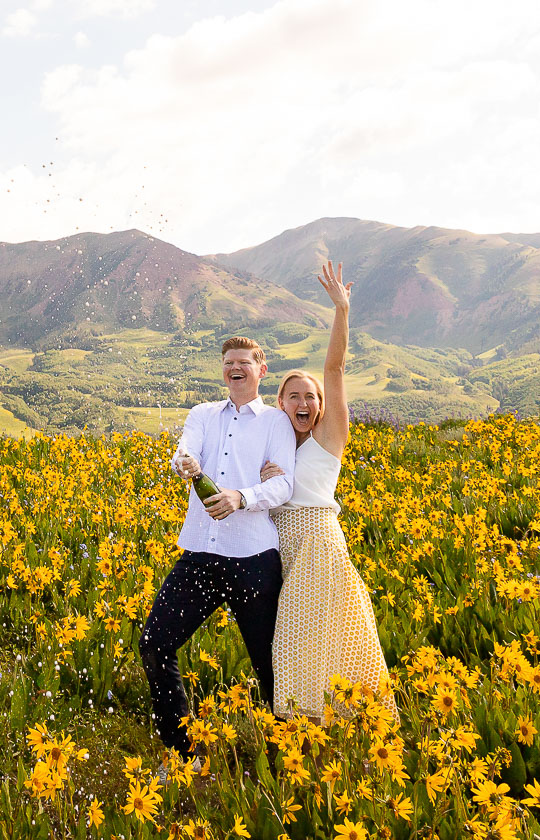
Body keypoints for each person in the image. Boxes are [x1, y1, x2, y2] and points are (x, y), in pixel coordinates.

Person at [139, 335, 299, 753]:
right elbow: (184, 452)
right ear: (222, 369)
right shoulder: (203, 414)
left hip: (253, 561)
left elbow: (283, 484)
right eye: (229, 362)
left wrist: (240, 497)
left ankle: (287, 756)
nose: (235, 368)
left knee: (269, 665)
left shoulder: (276, 422)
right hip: (200, 555)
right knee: (155, 643)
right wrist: (185, 463)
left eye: (244, 362)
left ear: (261, 370)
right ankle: (182, 751)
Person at [262, 259, 392, 720]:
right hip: (278, 549)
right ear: (279, 404)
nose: (303, 402)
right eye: (293, 395)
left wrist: (342, 310)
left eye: (310, 396)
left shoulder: (328, 437)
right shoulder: (271, 444)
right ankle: (319, 730)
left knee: (302, 638)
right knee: (306, 640)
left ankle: (308, 727)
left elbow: (334, 368)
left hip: (316, 542)